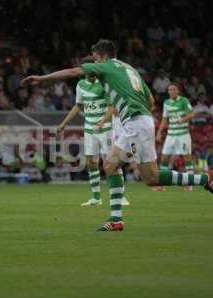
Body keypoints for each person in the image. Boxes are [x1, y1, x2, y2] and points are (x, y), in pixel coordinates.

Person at [21, 39, 212, 231]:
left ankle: (116, 219)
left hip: (135, 124)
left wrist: (42, 79)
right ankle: (204, 180)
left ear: (101, 55)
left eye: (94, 57)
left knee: (111, 165)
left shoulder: (106, 66)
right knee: (151, 177)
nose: (94, 62)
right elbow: (151, 101)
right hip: (144, 121)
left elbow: (73, 72)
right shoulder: (129, 69)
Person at [57, 62, 129, 207]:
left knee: (111, 162)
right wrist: (64, 123)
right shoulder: (80, 85)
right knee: (91, 163)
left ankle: (120, 196)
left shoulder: (104, 84)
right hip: (89, 129)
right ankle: (96, 198)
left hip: (106, 129)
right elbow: (78, 106)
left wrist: (102, 121)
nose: (90, 73)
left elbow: (111, 107)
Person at [155, 83, 194, 192]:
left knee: (187, 158)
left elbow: (191, 114)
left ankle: (190, 183)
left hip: (183, 134)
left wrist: (182, 119)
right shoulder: (166, 103)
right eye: (169, 90)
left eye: (173, 89)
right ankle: (161, 184)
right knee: (164, 158)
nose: (171, 91)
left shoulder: (184, 101)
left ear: (178, 91)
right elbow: (164, 119)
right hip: (171, 135)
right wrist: (159, 132)